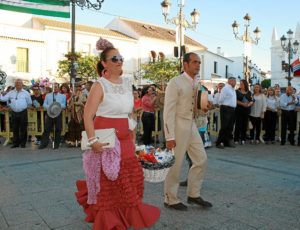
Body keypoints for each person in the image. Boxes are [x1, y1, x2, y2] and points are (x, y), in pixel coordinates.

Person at [75, 38, 160, 229]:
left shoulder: (127, 82)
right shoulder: (99, 85)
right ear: (104, 63)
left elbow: (129, 112)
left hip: (125, 138)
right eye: (114, 58)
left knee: (130, 176)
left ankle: (125, 214)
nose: (119, 61)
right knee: (108, 180)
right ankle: (110, 219)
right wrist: (93, 140)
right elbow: (88, 116)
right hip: (105, 138)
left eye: (120, 57)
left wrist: (132, 134)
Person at [163, 52, 212, 211]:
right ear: (185, 64)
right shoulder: (175, 82)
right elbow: (168, 111)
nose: (198, 65)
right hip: (177, 125)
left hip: (191, 125)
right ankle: (170, 198)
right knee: (175, 164)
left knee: (201, 159)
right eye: (194, 62)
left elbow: (196, 108)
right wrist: (169, 135)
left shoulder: (196, 83)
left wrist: (204, 108)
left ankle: (193, 194)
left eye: (199, 62)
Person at [0, 79, 32, 148]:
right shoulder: (11, 92)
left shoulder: (26, 93)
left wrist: (24, 107)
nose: (18, 85)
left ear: (22, 85)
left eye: (19, 84)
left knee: (23, 128)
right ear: (15, 85)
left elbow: (29, 102)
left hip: (23, 112)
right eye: (17, 84)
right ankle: (15, 143)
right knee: (15, 128)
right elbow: (3, 99)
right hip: (14, 112)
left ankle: (23, 143)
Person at [39, 83, 66, 149]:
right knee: (47, 129)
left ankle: (56, 145)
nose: (55, 88)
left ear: (59, 88)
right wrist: (51, 107)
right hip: (49, 114)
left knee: (58, 129)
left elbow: (64, 105)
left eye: (56, 87)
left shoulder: (62, 96)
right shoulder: (48, 95)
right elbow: (44, 104)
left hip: (58, 113)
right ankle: (43, 144)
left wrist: (56, 106)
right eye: (54, 87)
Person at [216, 77, 237, 149]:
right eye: (234, 81)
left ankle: (227, 142)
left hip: (232, 109)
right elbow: (221, 99)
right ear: (230, 81)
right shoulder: (225, 88)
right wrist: (224, 106)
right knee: (224, 126)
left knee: (230, 126)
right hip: (226, 108)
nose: (235, 83)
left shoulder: (233, 89)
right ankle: (219, 142)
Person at [65, 82, 86, 147]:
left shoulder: (83, 95)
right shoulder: (72, 95)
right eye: (76, 87)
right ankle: (72, 141)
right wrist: (72, 98)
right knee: (72, 127)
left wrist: (79, 103)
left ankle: (80, 141)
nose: (77, 88)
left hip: (80, 113)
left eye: (79, 86)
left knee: (80, 128)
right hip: (73, 113)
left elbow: (85, 104)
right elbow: (68, 103)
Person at [234, 80, 253, 145]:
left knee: (244, 125)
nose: (240, 85)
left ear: (245, 84)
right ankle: (236, 139)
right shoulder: (236, 91)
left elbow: (251, 100)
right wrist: (242, 104)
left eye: (242, 84)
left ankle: (243, 139)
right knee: (238, 125)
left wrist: (249, 104)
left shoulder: (249, 92)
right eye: (240, 83)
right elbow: (235, 100)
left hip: (246, 110)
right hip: (238, 110)